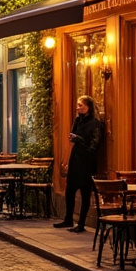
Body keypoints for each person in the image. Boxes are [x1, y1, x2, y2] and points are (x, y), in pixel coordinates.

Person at [54, 95, 103, 233]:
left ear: (89, 107)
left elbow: (93, 146)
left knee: (85, 193)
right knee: (70, 190)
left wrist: (79, 139)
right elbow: (73, 135)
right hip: (75, 160)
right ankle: (68, 218)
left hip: (87, 162)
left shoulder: (95, 124)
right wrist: (75, 133)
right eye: (77, 105)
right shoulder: (78, 121)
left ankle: (82, 223)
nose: (78, 108)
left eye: (81, 106)